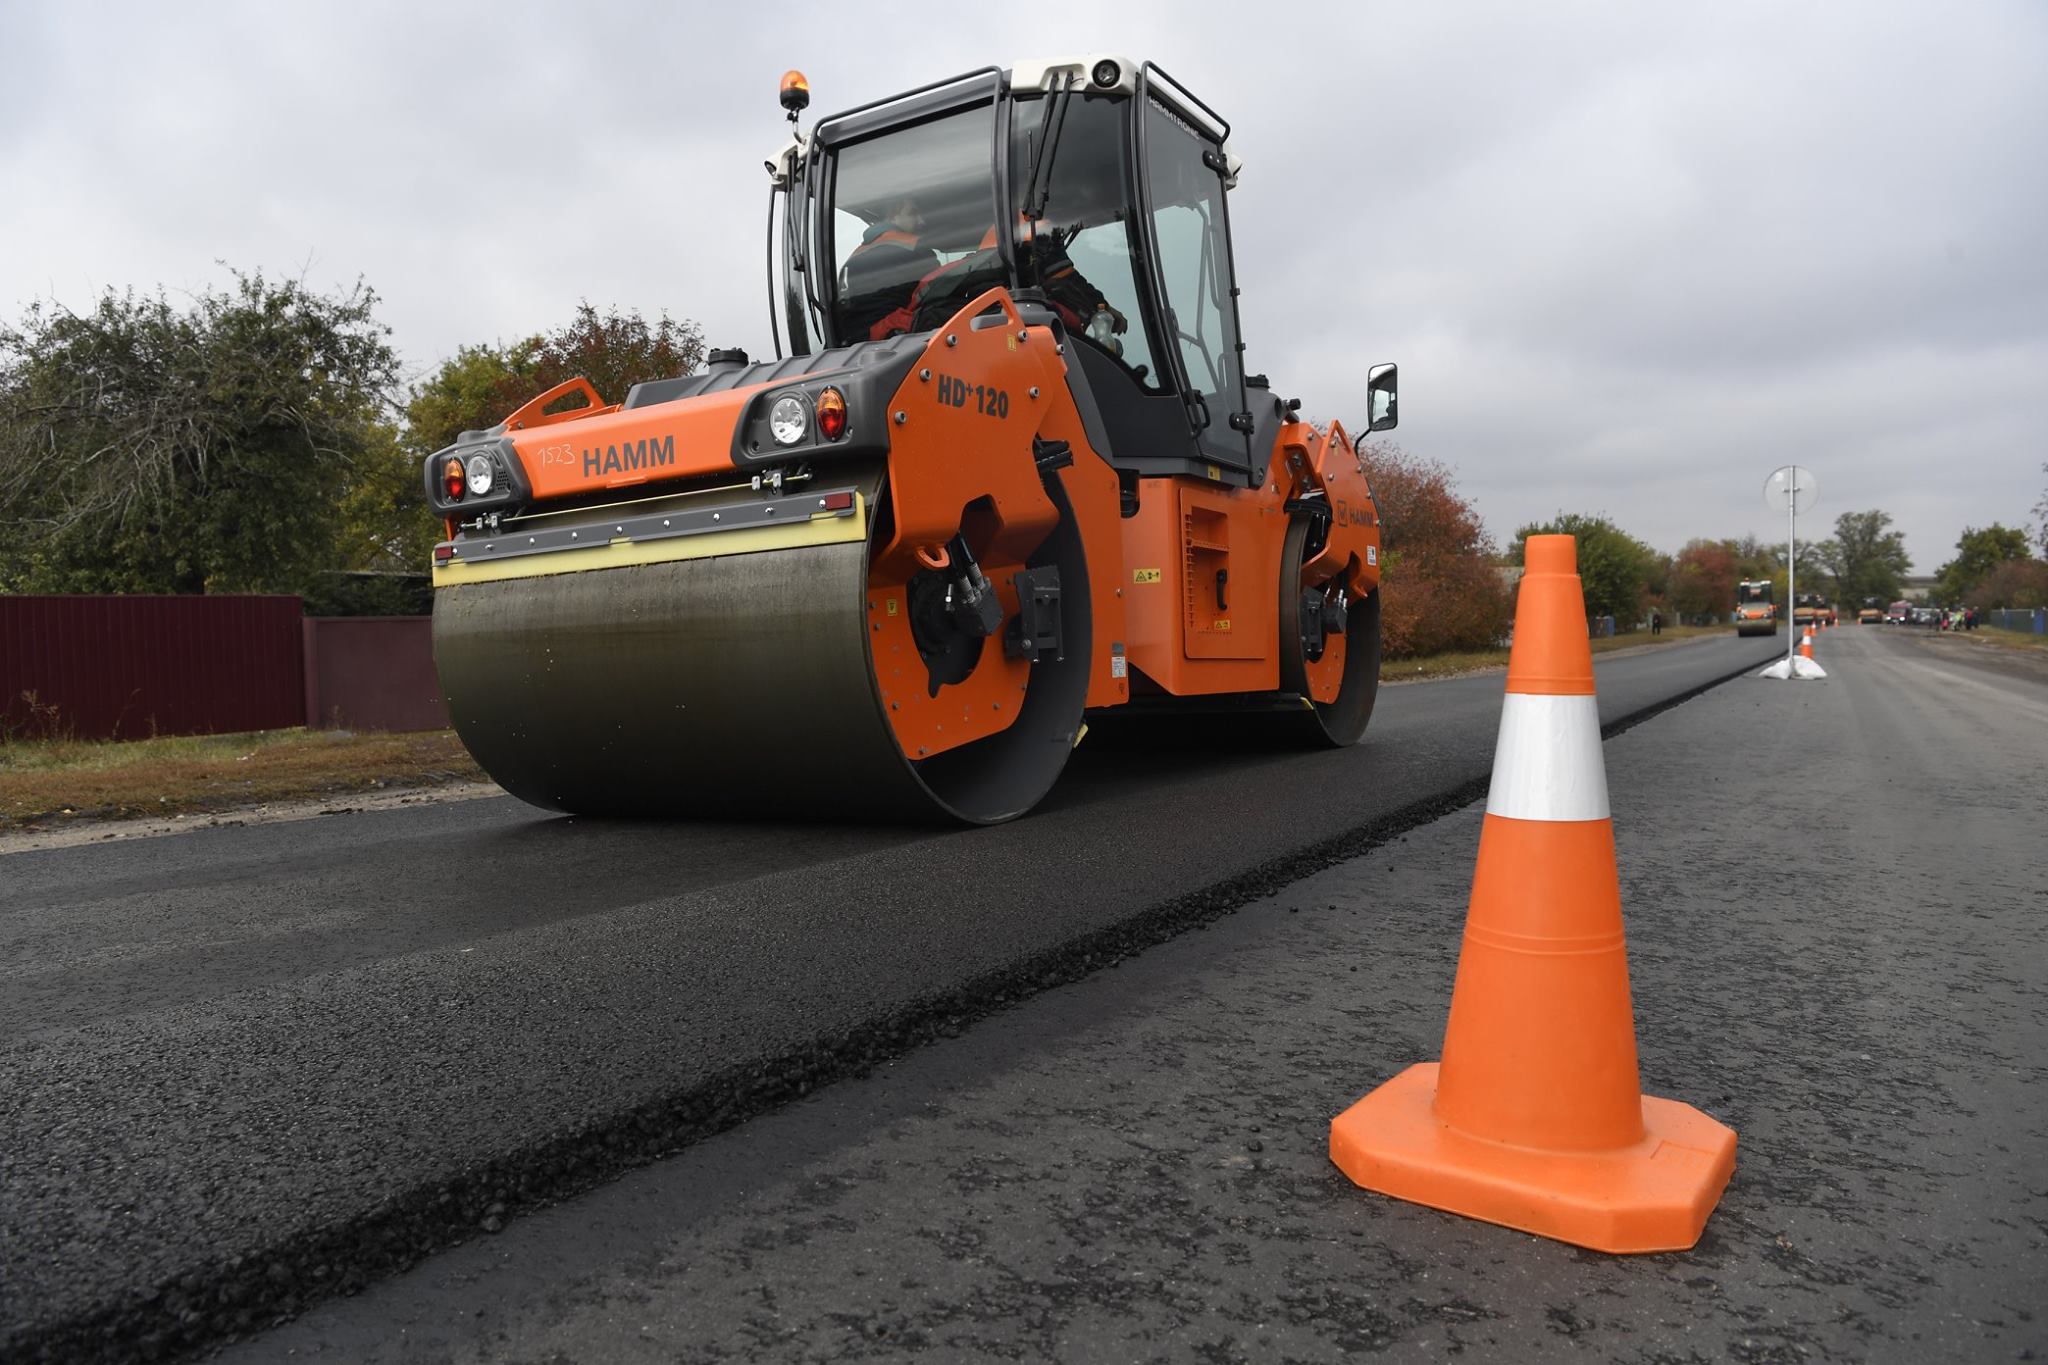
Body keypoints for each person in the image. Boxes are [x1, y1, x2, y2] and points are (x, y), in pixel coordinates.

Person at [840, 196, 939, 342]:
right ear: (893, 215)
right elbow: (938, 289)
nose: (921, 221)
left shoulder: (853, 257)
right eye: (913, 213)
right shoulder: (915, 247)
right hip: (901, 338)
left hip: (856, 341)